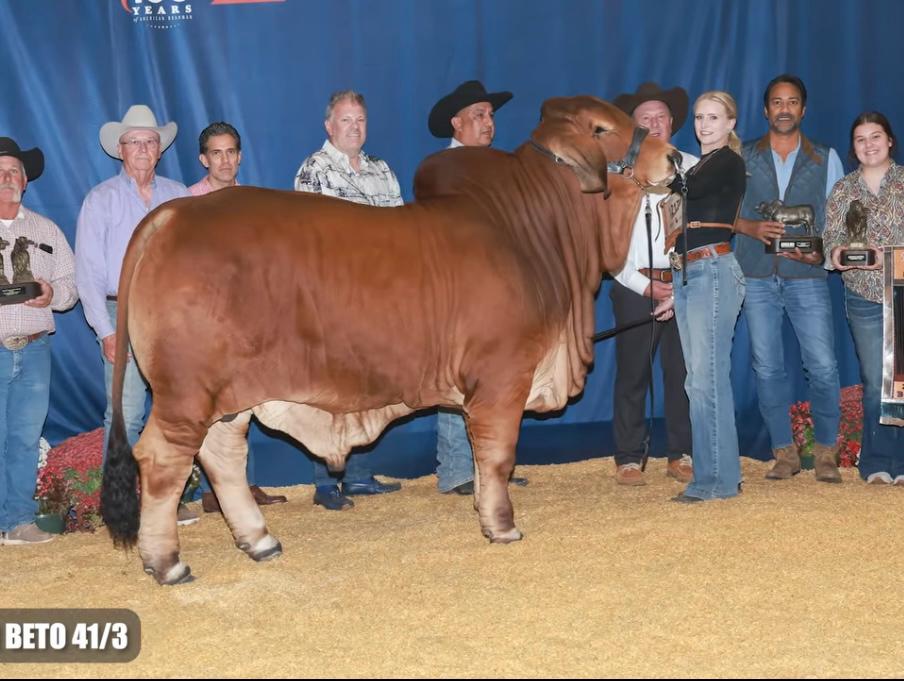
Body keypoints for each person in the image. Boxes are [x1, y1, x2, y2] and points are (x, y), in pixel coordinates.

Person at [74, 104, 199, 525]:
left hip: (169, 311)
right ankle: (121, 505)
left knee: (172, 410)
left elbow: (193, 260)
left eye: (150, 141)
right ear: (121, 150)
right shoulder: (101, 199)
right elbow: (88, 272)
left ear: (159, 150)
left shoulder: (179, 196)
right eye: (135, 142)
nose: (143, 148)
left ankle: (165, 498)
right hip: (121, 308)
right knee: (126, 412)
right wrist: (106, 330)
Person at [734, 74, 845, 483]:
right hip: (756, 276)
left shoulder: (825, 157)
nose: (784, 109)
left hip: (807, 276)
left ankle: (827, 452)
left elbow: (837, 218)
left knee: (824, 366)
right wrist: (748, 227)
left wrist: (823, 253)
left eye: (792, 101)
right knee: (767, 367)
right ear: (766, 110)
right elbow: (720, 210)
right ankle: (784, 452)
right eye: (777, 102)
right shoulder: (741, 155)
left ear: (803, 109)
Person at [294, 90, 403, 510]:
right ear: (329, 126)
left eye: (360, 120)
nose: (354, 127)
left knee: (368, 385)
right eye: (345, 120)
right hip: (333, 293)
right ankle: (325, 480)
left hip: (378, 293)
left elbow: (401, 227)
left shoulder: (382, 169)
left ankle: (358, 475)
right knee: (329, 388)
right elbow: (308, 238)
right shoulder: (314, 170)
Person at [426, 79, 527, 494]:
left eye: (490, 115)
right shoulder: (440, 169)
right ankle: (455, 470)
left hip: (496, 288)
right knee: (458, 376)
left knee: (497, 377)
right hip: (456, 288)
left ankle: (494, 464)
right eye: (479, 115)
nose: (489, 122)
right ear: (457, 123)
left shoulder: (500, 167)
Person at [188, 122, 288, 512]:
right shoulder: (188, 203)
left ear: (240, 156)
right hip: (207, 315)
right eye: (216, 153)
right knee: (210, 401)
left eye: (230, 152)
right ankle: (213, 489)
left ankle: (243, 485)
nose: (225, 160)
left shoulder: (253, 201)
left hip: (248, 315)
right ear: (204, 159)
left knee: (247, 401)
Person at [655, 91, 747, 502]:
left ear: (730, 123)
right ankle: (721, 476)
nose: (704, 125)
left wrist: (658, 163)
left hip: (712, 269)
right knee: (700, 381)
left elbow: (687, 189)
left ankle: (713, 481)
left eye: (713, 117)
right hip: (691, 272)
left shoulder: (727, 162)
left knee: (705, 380)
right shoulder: (699, 165)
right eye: (699, 117)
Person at [610, 83, 697, 486]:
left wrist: (680, 285)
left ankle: (682, 453)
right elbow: (608, 241)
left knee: (682, 373)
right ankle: (628, 457)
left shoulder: (692, 168)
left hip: (684, 283)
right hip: (634, 285)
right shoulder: (616, 176)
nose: (655, 123)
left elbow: (701, 234)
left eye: (661, 116)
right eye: (645, 118)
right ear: (633, 128)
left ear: (673, 122)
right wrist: (641, 285)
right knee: (632, 372)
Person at [0, 137, 78, 544]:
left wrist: (53, 295)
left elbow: (71, 284)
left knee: (25, 438)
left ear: (25, 180)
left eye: (14, 170)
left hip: (34, 348)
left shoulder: (47, 229)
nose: (6, 178)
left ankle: (17, 520)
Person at [824, 112, 904, 484]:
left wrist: (889, 257)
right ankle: (876, 462)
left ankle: (901, 461)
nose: (869, 144)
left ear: (889, 141)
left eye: (875, 136)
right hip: (863, 296)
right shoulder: (843, 189)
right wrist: (839, 254)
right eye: (860, 139)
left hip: (902, 291)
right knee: (874, 382)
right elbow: (831, 238)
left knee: (901, 381)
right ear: (853, 147)